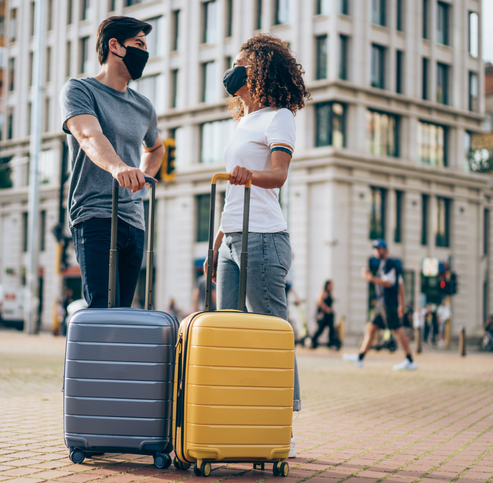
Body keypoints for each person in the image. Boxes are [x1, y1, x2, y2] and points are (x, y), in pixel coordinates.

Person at [204, 33, 310, 459]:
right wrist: (218, 238)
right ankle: (239, 418)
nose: (235, 69)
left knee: (271, 333)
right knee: (230, 330)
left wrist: (251, 175)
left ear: (261, 69)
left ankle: (282, 424)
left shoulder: (278, 117)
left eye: (243, 62)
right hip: (233, 238)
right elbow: (234, 189)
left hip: (264, 237)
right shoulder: (241, 124)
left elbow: (278, 175)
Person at [60, 17, 165, 309]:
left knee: (121, 313)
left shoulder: (144, 106)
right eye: (139, 44)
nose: (144, 53)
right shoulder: (80, 90)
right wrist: (119, 168)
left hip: (135, 222)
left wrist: (141, 180)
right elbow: (88, 135)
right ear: (115, 46)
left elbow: (156, 149)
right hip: (95, 215)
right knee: (101, 310)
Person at [343, 240, 418, 370]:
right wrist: (401, 304)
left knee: (398, 330)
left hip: (388, 302)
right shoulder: (386, 264)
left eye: (379, 248)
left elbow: (389, 283)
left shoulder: (389, 263)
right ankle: (360, 358)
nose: (376, 251)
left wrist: (370, 278)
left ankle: (410, 360)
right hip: (382, 303)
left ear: (385, 249)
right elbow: (400, 284)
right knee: (371, 328)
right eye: (375, 249)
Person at [312, 280, 341, 350]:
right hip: (324, 315)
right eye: (331, 285)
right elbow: (318, 301)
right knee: (320, 329)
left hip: (329, 316)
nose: (332, 287)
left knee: (331, 329)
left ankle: (331, 344)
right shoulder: (323, 292)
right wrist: (326, 308)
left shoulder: (329, 293)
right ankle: (313, 340)